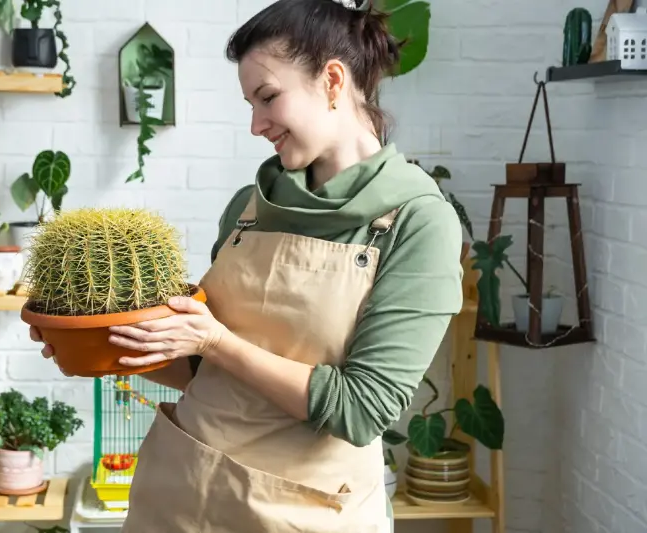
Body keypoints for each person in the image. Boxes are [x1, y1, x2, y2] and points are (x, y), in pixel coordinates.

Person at [30, 0, 464, 531]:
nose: (256, 124)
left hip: (301, 511)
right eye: (250, 104)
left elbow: (362, 409)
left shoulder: (418, 223)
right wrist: (104, 350)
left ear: (332, 80)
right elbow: (205, 372)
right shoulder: (248, 208)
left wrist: (215, 341)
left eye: (268, 98)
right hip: (178, 492)